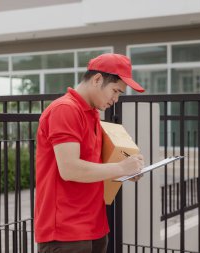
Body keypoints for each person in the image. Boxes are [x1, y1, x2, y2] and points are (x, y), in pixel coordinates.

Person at [35, 53, 145, 253]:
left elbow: (94, 165)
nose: (116, 99)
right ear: (97, 79)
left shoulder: (92, 113)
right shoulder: (65, 109)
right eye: (115, 91)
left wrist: (126, 169)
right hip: (65, 231)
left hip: (93, 226)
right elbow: (70, 169)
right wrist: (120, 167)